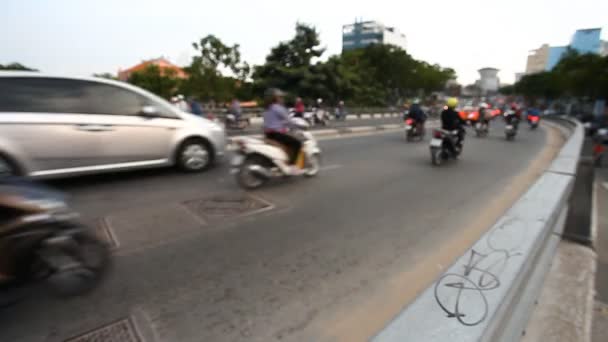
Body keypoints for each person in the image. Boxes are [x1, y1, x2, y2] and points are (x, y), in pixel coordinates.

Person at [263, 88, 303, 174]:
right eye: (281, 97)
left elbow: (276, 121)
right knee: (297, 144)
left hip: (268, 134)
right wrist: (297, 126)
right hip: (276, 134)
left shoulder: (267, 108)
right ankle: (292, 166)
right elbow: (289, 121)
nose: (282, 99)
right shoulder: (278, 108)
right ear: (276, 98)